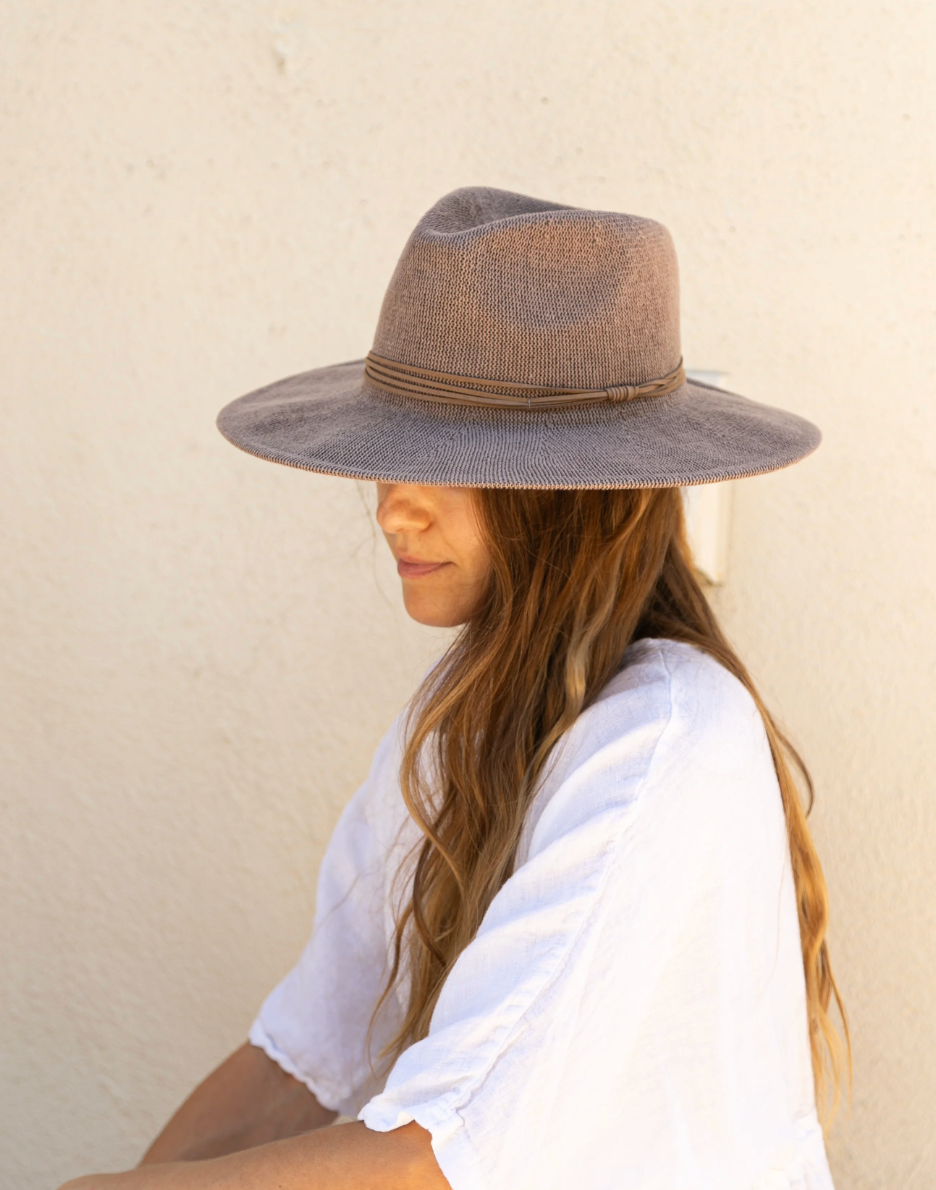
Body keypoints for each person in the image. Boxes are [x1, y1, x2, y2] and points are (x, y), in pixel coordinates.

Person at [60, 187, 848, 1190]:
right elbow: (301, 1059)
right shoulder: (461, 726)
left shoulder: (666, 740)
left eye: (449, 461)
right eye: (393, 454)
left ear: (576, 495)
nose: (395, 508)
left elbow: (437, 1156)